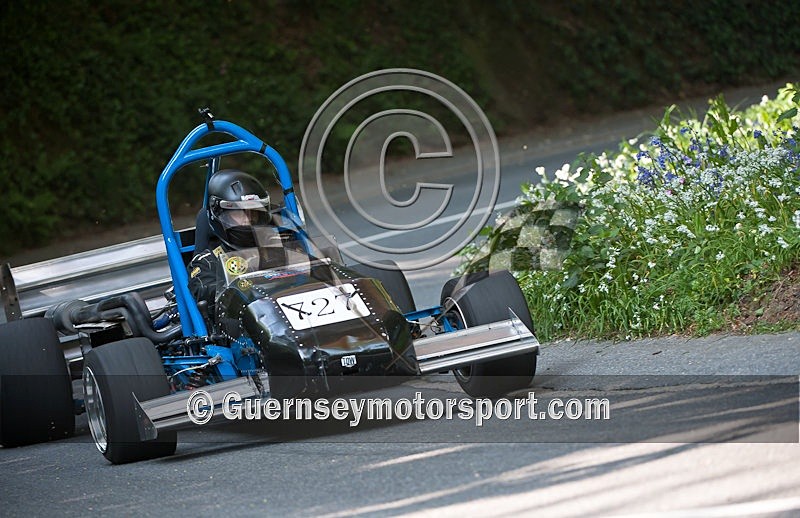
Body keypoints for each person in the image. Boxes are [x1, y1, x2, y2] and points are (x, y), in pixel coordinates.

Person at [187, 169, 272, 309]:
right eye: (239, 213)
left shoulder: (274, 246)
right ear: (220, 215)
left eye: (253, 213)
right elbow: (204, 291)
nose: (247, 221)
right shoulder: (207, 262)